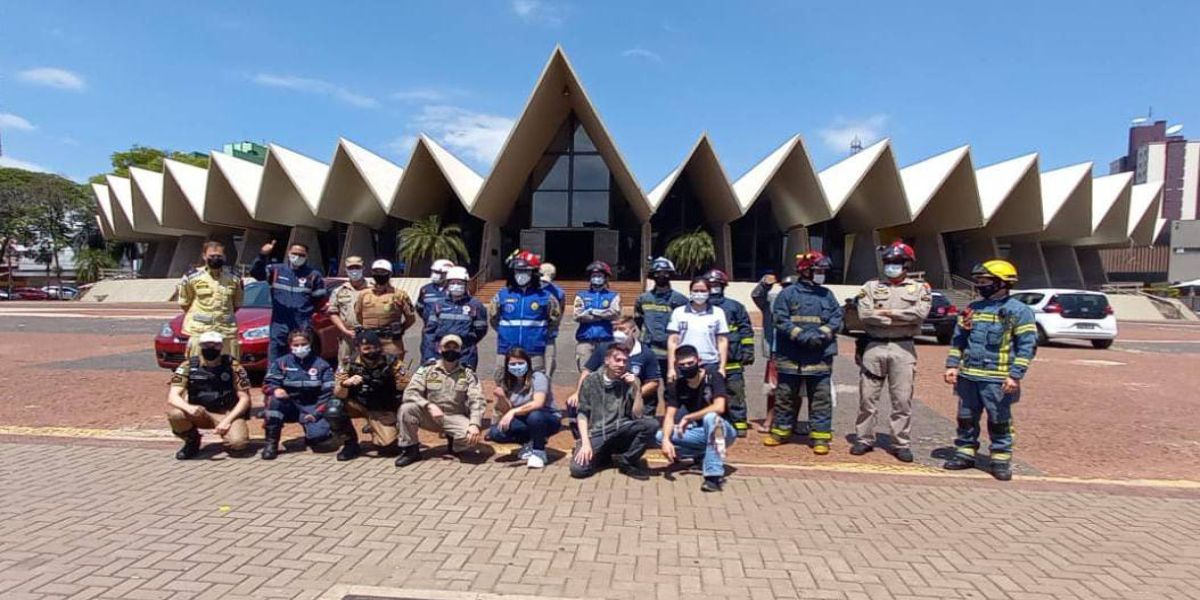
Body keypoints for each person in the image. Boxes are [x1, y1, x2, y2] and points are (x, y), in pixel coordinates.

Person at [943, 260, 1037, 481]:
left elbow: (1027, 346)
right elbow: (958, 340)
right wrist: (952, 365)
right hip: (969, 376)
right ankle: (965, 453)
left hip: (998, 379)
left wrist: (1015, 375)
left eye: (984, 281)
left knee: (999, 419)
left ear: (1001, 283)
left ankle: (1000, 459)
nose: (979, 285)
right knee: (966, 417)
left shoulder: (1018, 311)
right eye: (977, 281)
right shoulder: (972, 309)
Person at [851, 241, 931, 463]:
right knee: (867, 397)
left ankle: (900, 443)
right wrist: (900, 316)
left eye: (896, 262)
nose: (890, 266)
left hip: (903, 348)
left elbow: (920, 314)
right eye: (888, 262)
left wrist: (886, 313)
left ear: (906, 264)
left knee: (902, 400)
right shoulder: (870, 286)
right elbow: (865, 315)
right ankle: (864, 439)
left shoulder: (919, 288)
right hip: (874, 346)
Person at [765, 252, 842, 454]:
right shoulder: (788, 294)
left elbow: (837, 318)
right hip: (791, 355)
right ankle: (781, 432)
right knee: (785, 396)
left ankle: (820, 437)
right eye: (818, 270)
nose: (821, 274)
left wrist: (821, 334)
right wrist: (800, 335)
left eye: (823, 271)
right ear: (805, 270)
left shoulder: (827, 295)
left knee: (821, 399)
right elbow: (780, 319)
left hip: (819, 355)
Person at [395, 334, 487, 467]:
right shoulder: (426, 369)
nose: (451, 350)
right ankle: (411, 450)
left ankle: (455, 445)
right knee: (406, 409)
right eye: (447, 347)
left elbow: (477, 399)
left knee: (471, 437)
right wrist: (428, 405)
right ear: (439, 349)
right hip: (430, 415)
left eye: (455, 348)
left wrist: (475, 424)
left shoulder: (468, 373)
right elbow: (410, 393)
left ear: (460, 350)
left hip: (455, 416)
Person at [570, 345, 658, 480]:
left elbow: (638, 414)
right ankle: (602, 455)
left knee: (651, 424)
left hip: (621, 428)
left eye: (624, 361)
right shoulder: (591, 381)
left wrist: (636, 388)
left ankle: (626, 460)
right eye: (617, 360)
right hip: (597, 432)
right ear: (607, 360)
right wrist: (585, 443)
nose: (621, 364)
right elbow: (582, 414)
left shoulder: (630, 380)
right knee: (578, 470)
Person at [659, 345, 737, 492]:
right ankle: (701, 454)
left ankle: (713, 477)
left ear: (699, 361)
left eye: (690, 363)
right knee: (660, 435)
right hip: (699, 431)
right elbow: (669, 416)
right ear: (676, 365)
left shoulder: (713, 376)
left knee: (711, 418)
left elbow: (719, 407)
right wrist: (666, 440)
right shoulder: (677, 385)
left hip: (724, 430)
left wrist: (689, 417)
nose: (687, 367)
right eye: (682, 365)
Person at [567, 316, 662, 436]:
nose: (618, 333)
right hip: (608, 398)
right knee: (574, 404)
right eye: (615, 329)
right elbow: (587, 371)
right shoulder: (604, 348)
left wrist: (633, 395)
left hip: (635, 401)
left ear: (633, 330)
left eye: (622, 329)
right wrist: (577, 393)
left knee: (646, 427)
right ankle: (583, 438)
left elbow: (654, 382)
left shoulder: (646, 353)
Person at [166, 331, 252, 459]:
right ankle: (192, 440)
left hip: (226, 412)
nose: (211, 348)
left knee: (238, 444)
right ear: (200, 345)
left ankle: (228, 441)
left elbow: (244, 399)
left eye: (215, 345)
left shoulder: (233, 367)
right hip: (199, 412)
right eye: (206, 345)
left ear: (221, 346)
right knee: (176, 414)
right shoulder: (188, 366)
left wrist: (227, 421)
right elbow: (173, 397)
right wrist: (188, 407)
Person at [327, 331, 409, 461]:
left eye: (376, 347)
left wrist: (390, 380)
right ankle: (350, 444)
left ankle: (375, 427)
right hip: (357, 404)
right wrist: (346, 384)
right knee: (334, 409)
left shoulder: (392, 362)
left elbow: (405, 387)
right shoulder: (348, 363)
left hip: (381, 407)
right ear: (358, 348)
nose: (372, 351)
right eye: (367, 348)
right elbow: (338, 393)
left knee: (389, 448)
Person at [261, 329, 338, 460]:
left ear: (310, 344)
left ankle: (312, 434)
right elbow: (267, 384)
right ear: (290, 346)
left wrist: (316, 414)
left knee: (319, 438)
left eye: (303, 344)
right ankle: (271, 444)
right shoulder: (281, 363)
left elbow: (328, 394)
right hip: (289, 406)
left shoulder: (322, 365)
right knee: (274, 401)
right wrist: (275, 389)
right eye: (296, 345)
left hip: (312, 406)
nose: (300, 348)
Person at [250, 240, 327, 365]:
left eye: (301, 255)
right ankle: (275, 377)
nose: (297, 257)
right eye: (294, 253)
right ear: (289, 253)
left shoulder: (313, 275)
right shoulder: (276, 270)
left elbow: (320, 300)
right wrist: (262, 255)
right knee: (276, 358)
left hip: (302, 325)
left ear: (307, 256)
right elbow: (256, 274)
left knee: (302, 358)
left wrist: (307, 316)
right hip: (279, 323)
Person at [489, 249, 560, 380]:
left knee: (536, 381)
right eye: (518, 271)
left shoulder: (546, 297)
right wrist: (505, 333)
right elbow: (493, 318)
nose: (521, 275)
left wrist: (540, 335)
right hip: (506, 350)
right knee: (502, 382)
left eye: (526, 271)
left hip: (534, 351)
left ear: (534, 273)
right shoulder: (502, 295)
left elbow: (554, 321)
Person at [487, 347, 563, 468]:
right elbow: (507, 411)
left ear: (528, 363)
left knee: (535, 416)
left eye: (520, 363)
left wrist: (513, 411)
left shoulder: (538, 377)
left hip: (546, 418)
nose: (517, 367)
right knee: (496, 432)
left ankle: (539, 452)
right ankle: (528, 443)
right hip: (524, 418)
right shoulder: (508, 382)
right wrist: (501, 397)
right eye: (513, 364)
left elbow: (538, 403)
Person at [634, 257, 688, 415]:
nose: (661, 276)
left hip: (671, 353)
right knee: (649, 386)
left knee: (672, 388)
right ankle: (648, 419)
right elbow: (639, 319)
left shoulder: (680, 300)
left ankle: (671, 419)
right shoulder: (643, 299)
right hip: (649, 351)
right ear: (652, 276)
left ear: (671, 275)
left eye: (665, 273)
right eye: (657, 273)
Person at [704, 269, 755, 437]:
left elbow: (745, 330)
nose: (714, 287)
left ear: (723, 286)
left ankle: (739, 424)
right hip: (709, 361)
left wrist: (748, 350)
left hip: (733, 360)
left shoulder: (735, 307)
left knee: (735, 392)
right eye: (711, 284)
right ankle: (711, 422)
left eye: (717, 284)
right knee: (707, 394)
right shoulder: (700, 308)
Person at [178, 241, 243, 359]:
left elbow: (237, 303)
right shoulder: (192, 277)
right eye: (212, 256)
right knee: (196, 365)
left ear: (224, 257)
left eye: (219, 256)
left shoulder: (234, 278)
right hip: (200, 330)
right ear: (204, 256)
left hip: (226, 330)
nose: (215, 259)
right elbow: (185, 303)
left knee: (231, 365)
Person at [751, 273, 798, 434]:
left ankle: (792, 422)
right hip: (776, 351)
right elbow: (757, 296)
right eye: (785, 287)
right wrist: (765, 283)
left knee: (796, 390)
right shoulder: (772, 301)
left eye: (791, 288)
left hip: (798, 352)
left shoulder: (804, 302)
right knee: (772, 389)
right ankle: (770, 420)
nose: (788, 291)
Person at [425, 266, 489, 369]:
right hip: (442, 352)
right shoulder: (439, 305)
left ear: (466, 284)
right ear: (447, 284)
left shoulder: (476, 305)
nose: (456, 286)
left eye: (459, 283)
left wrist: (467, 341)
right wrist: (431, 355)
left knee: (465, 378)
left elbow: (481, 330)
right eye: (453, 283)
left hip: (466, 354)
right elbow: (430, 331)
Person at [666, 277, 729, 382]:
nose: (699, 294)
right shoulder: (679, 312)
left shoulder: (718, 313)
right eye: (696, 291)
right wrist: (671, 368)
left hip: (710, 363)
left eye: (703, 291)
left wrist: (722, 367)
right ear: (690, 292)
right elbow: (673, 341)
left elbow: (722, 341)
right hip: (684, 363)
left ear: (709, 292)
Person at [355, 259, 416, 359]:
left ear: (390, 274)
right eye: (376, 272)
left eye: (383, 272)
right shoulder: (364, 294)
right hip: (369, 341)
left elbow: (411, 318)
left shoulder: (399, 295)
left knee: (395, 367)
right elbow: (359, 316)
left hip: (391, 341)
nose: (379, 275)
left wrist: (400, 329)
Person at [573, 260, 621, 371]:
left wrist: (593, 312)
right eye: (594, 276)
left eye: (600, 276)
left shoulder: (613, 296)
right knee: (585, 373)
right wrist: (603, 315)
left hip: (606, 341)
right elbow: (578, 316)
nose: (597, 278)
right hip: (586, 341)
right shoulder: (581, 295)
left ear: (606, 278)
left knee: (607, 373)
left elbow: (614, 313)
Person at [327, 255, 369, 367]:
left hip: (368, 335)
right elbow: (333, 313)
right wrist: (345, 330)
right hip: (347, 336)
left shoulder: (373, 289)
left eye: (357, 267)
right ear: (346, 270)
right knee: (344, 367)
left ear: (363, 268)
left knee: (368, 367)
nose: (354, 271)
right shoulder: (339, 291)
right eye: (351, 268)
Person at [418, 259, 455, 363]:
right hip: (430, 334)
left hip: (449, 333)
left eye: (438, 273)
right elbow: (420, 308)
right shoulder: (425, 290)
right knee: (428, 362)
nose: (435, 275)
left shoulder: (455, 291)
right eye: (434, 272)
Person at [539, 262, 565, 377]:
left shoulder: (559, 292)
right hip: (533, 333)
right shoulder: (531, 289)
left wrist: (554, 326)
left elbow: (559, 312)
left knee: (548, 367)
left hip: (549, 334)